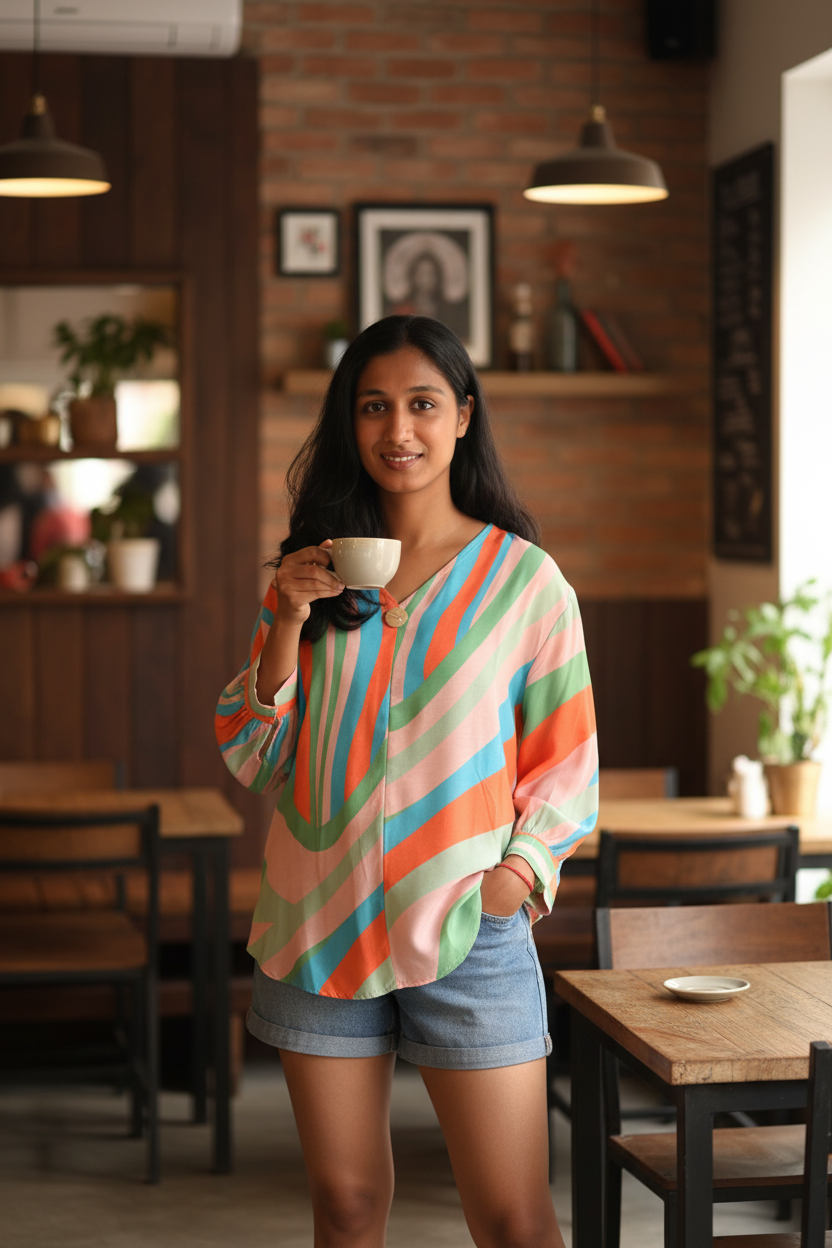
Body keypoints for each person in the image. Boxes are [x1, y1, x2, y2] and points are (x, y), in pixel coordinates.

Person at [215, 315, 598, 1248]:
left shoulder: (525, 584)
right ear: (350, 425)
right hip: (317, 923)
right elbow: (257, 756)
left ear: (463, 417)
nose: (399, 430)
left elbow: (567, 764)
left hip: (469, 927)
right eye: (374, 407)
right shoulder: (310, 579)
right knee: (345, 1210)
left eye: (423, 404)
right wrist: (287, 621)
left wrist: (513, 883)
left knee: (512, 1219)